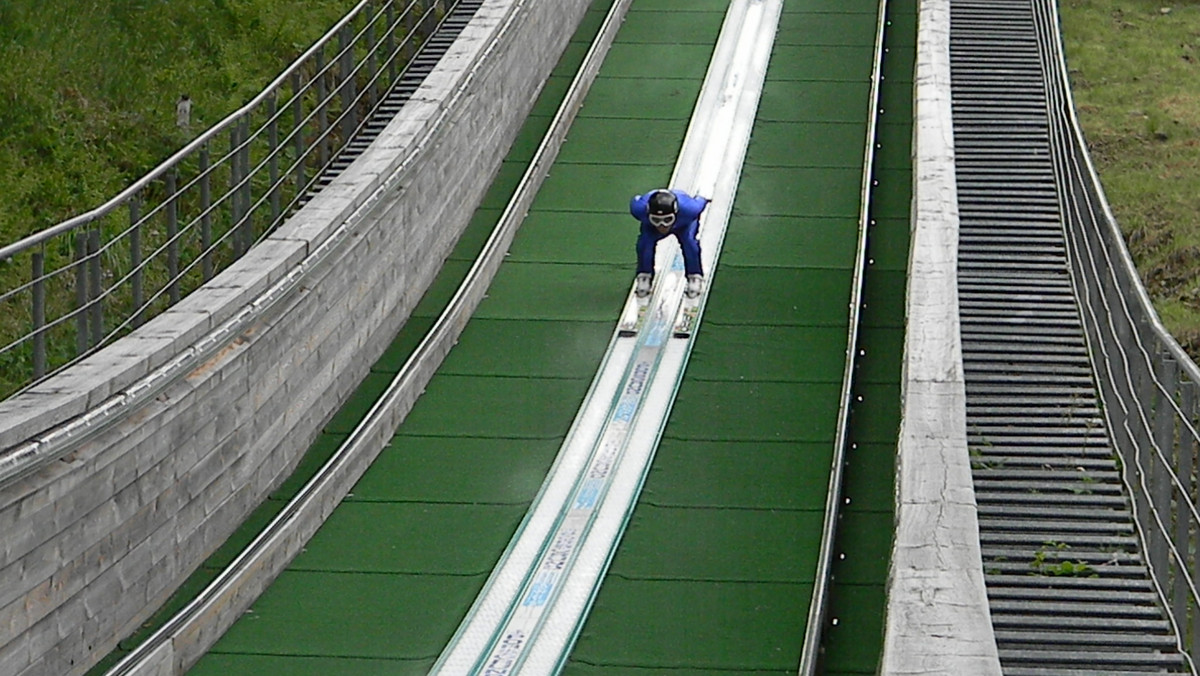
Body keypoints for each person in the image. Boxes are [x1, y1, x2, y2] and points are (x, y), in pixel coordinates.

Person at [629, 188, 710, 298]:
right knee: (644, 243)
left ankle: (694, 275)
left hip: (684, 225)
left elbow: (700, 200)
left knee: (690, 243)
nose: (662, 225)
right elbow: (636, 200)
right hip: (651, 227)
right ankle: (644, 274)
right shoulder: (639, 210)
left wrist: (703, 197)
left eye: (667, 220)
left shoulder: (690, 210)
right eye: (656, 219)